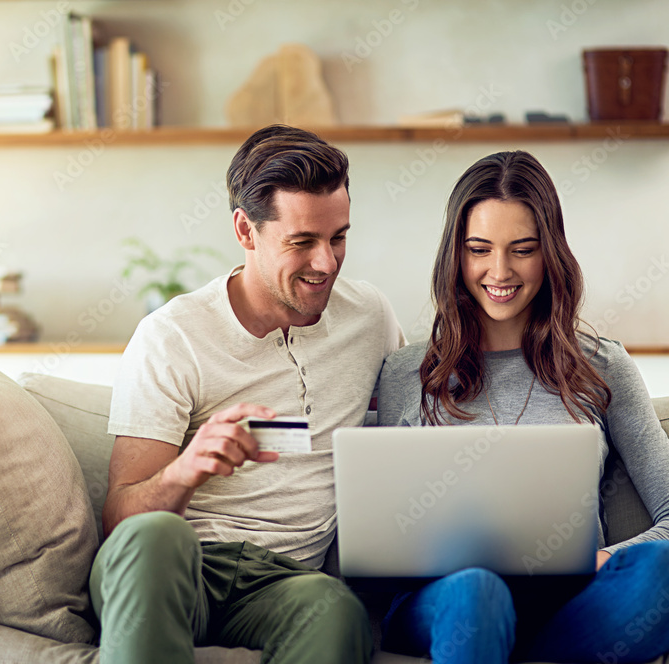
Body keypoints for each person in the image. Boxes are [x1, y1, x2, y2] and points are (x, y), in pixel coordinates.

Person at [90, 124, 406, 664]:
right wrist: (187, 469)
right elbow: (122, 519)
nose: (326, 263)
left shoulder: (369, 317)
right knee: (156, 539)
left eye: (338, 238)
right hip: (177, 566)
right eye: (302, 242)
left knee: (334, 607)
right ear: (245, 229)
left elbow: (416, 423)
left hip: (283, 583)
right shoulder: (173, 335)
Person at [377, 150, 669, 664]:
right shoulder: (408, 372)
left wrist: (601, 558)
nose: (500, 270)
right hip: (451, 601)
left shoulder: (603, 364)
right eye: (479, 249)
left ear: (550, 252)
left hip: (567, 604)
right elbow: (381, 536)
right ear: (456, 254)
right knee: (478, 592)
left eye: (523, 249)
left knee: (660, 571)